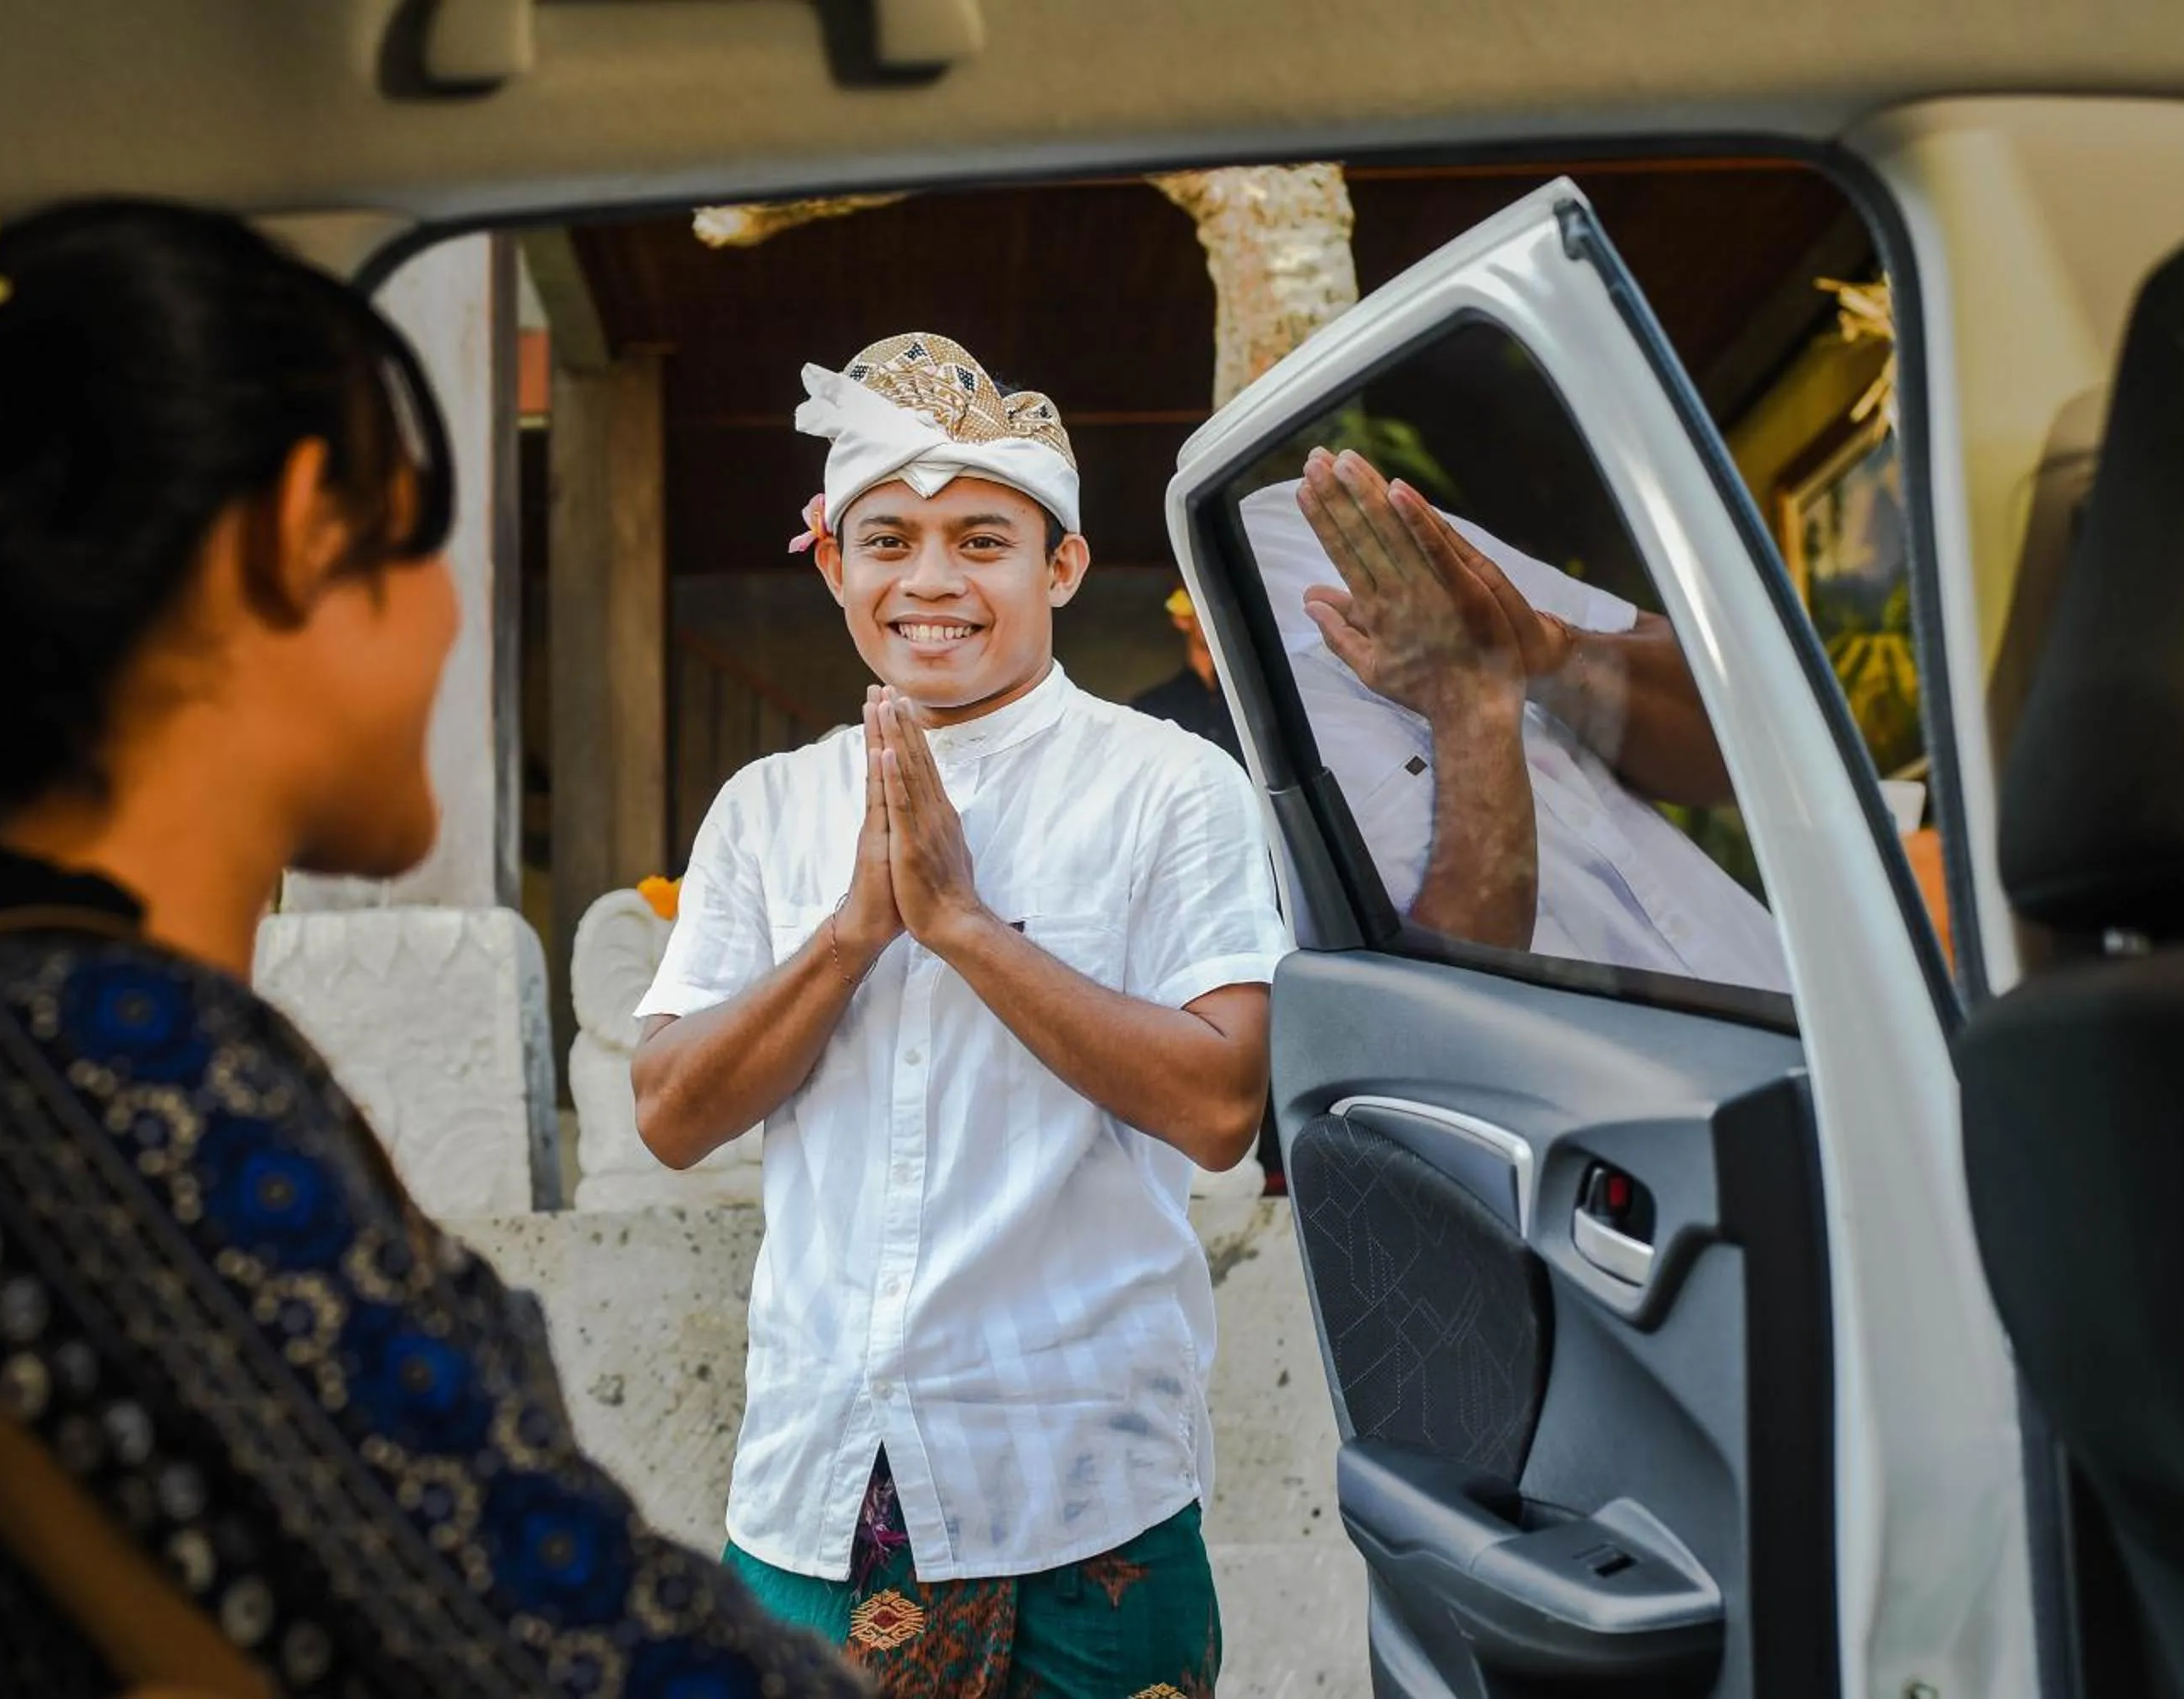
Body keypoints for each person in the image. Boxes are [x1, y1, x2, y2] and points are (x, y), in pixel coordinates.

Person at [0, 201, 862, 1697]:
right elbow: (547, 1648)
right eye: (422, 545)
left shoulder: (56, 1029)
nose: (445, 621)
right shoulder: (88, 1057)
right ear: (300, 534)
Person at [631, 331, 1291, 1697]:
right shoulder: (765, 809)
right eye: (889, 539)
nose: (931, 581)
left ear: (1060, 565)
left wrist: (966, 932)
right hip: (816, 1487)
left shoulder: (1172, 788)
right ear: (833, 568)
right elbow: (670, 1112)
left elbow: (1225, 1107)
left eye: (981, 539)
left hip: (1083, 1492)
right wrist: (855, 934)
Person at [1250, 447, 1788, 994]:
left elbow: (1732, 753)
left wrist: (1550, 653)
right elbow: (1441, 1023)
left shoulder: (1302, 524)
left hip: (1798, 1000)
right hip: (1643, 1076)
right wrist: (1470, 707)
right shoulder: (1191, 760)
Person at [1131, 587, 1241, 762]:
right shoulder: (1150, 710)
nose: (1218, 618)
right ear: (1182, 618)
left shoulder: (1262, 701)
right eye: (1207, 607)